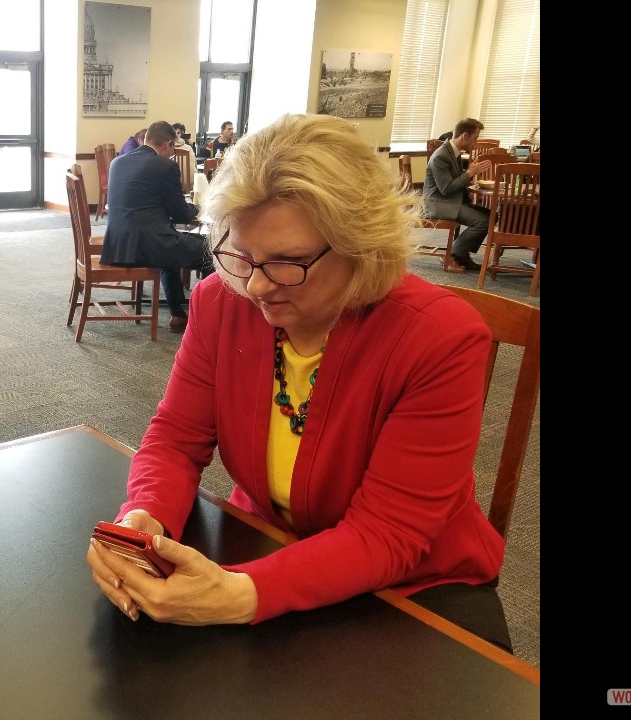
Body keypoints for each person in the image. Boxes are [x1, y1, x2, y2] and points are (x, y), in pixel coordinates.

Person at [86, 113, 511, 653]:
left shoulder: (440, 339)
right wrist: (145, 520)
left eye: (287, 262)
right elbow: (175, 438)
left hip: (414, 588)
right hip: (271, 543)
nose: (257, 285)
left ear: (363, 246)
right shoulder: (221, 299)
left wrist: (242, 595)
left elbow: (388, 535)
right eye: (241, 256)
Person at [100, 121, 213, 333]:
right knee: (213, 251)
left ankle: (178, 314)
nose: (172, 155)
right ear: (168, 144)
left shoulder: (118, 162)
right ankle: (206, 317)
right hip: (149, 245)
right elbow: (180, 213)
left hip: (117, 245)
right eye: (172, 150)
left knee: (170, 244)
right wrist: (199, 208)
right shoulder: (165, 166)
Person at [423, 118, 494, 273]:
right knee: (483, 221)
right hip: (439, 203)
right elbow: (446, 189)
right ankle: (452, 255)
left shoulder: (452, 152)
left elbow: (453, 180)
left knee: (492, 215)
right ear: (465, 136)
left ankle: (462, 255)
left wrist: (470, 177)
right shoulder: (441, 155)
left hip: (450, 201)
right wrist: (469, 173)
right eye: (475, 138)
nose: (476, 143)